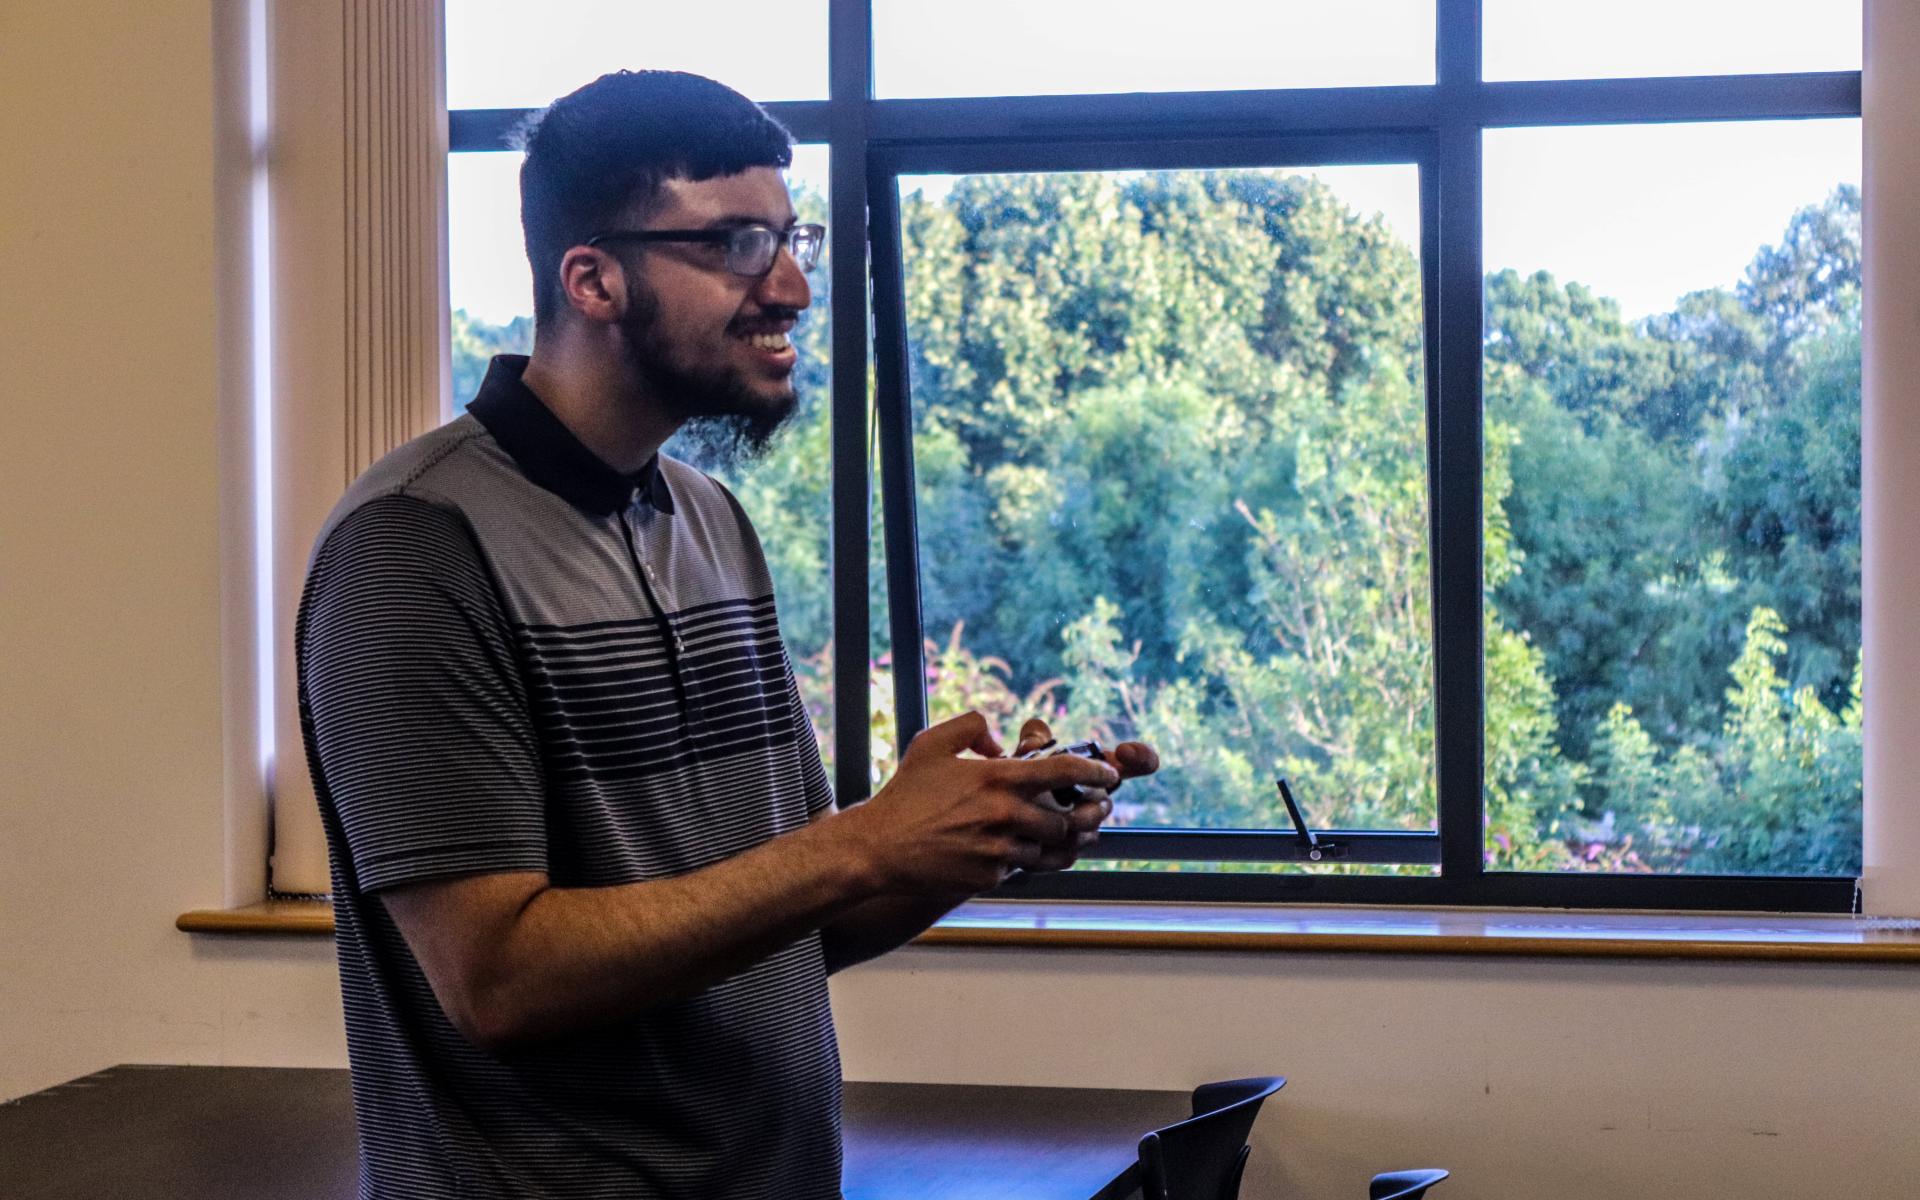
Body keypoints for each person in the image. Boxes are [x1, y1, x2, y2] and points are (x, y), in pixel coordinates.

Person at [295, 69, 1158, 1199]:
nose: (792, 286)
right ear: (593, 278)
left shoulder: (707, 518)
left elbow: (793, 919)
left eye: (789, 236)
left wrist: (971, 834)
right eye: (740, 243)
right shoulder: (412, 545)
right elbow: (495, 977)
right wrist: (862, 840)